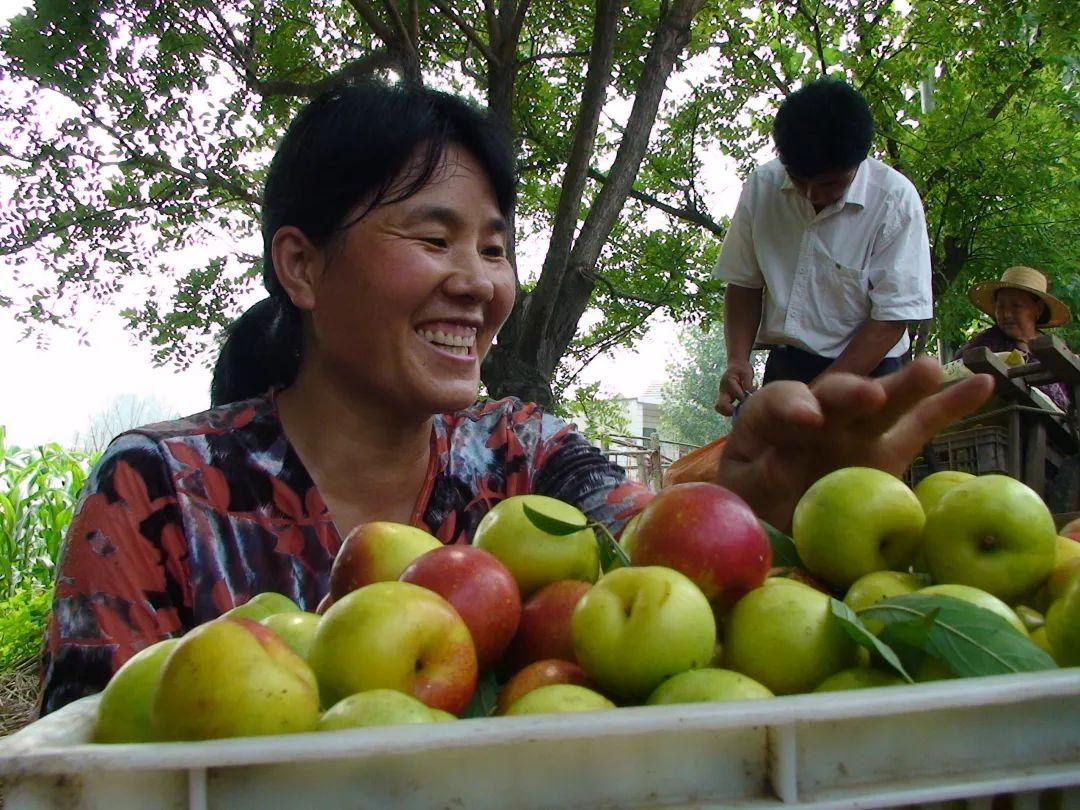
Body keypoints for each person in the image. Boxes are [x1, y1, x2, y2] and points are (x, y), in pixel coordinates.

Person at [38, 80, 993, 716]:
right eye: (434, 237)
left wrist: (766, 521)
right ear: (302, 265)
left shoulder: (525, 460)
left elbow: (648, 562)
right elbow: (83, 763)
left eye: (494, 247)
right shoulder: (160, 495)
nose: (481, 282)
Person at [713, 78, 934, 416]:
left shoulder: (894, 200)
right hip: (787, 369)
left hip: (869, 373)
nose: (813, 196)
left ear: (859, 162)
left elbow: (891, 320)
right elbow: (744, 283)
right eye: (800, 181)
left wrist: (816, 396)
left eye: (830, 183)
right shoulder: (763, 187)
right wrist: (737, 360)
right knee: (776, 467)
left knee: (865, 469)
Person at [955, 266, 1073, 411]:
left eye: (1016, 306)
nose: (1007, 314)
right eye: (1001, 306)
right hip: (1010, 426)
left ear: (1038, 309)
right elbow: (955, 371)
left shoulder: (1055, 346)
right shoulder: (989, 341)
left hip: (1061, 428)